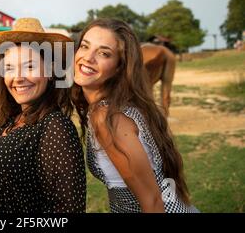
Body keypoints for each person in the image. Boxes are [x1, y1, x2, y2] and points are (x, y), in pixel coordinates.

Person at [0, 18, 86, 212]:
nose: (18, 77)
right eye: (9, 68)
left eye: (29, 66)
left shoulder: (55, 128)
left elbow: (67, 211)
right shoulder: (6, 118)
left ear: (49, 71)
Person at [72, 18, 198, 213]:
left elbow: (153, 202)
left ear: (119, 67)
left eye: (104, 53)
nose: (88, 58)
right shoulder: (118, 105)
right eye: (84, 46)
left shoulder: (107, 117)